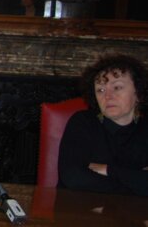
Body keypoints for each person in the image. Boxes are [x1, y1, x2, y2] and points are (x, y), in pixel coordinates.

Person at [58, 54, 148, 196]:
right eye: (100, 90)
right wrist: (135, 181)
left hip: (134, 210)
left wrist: (107, 170)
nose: (107, 96)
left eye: (117, 87)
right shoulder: (83, 122)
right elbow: (73, 177)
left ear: (139, 93)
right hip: (80, 207)